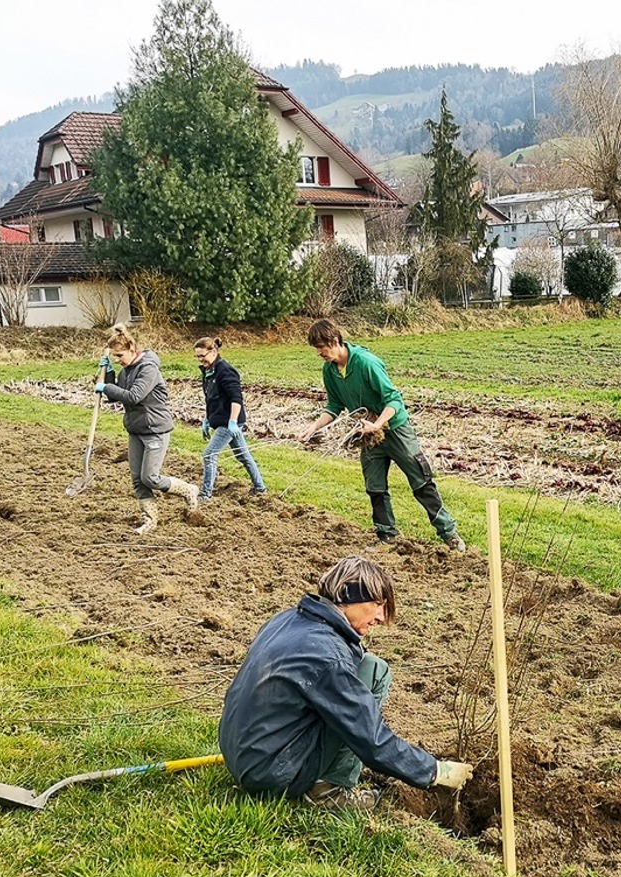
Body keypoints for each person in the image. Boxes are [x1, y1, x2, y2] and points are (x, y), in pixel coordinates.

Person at [218, 556, 474, 809]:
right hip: (271, 773)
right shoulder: (327, 656)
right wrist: (436, 771)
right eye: (376, 604)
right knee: (374, 673)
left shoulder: (287, 620)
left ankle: (314, 774)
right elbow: (371, 739)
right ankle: (328, 791)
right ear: (346, 597)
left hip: (241, 753)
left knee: (368, 666)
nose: (381, 617)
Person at [297, 319, 465, 551]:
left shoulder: (367, 363)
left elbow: (394, 400)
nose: (318, 353)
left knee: (421, 481)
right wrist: (314, 427)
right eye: (315, 348)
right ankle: (387, 536)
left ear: (335, 341)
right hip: (368, 434)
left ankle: (449, 534)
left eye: (321, 347)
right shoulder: (330, 370)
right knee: (374, 486)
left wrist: (378, 424)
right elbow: (334, 405)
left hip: (395, 429)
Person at [96, 325, 200, 534]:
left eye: (120, 355)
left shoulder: (148, 368)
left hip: (155, 429)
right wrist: (108, 375)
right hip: (136, 428)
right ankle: (150, 521)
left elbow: (135, 396)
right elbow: (114, 396)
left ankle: (189, 490)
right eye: (114, 356)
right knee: (137, 479)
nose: (118, 359)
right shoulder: (126, 370)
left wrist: (107, 387)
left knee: (150, 477)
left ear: (132, 349)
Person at [194, 337, 266, 500]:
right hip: (220, 419)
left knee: (209, 455)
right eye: (197, 357)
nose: (200, 360)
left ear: (213, 352)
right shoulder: (208, 371)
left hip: (229, 421)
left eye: (202, 355)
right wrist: (207, 420)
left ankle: (205, 495)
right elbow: (210, 399)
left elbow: (236, 398)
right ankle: (260, 487)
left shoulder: (225, 371)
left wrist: (233, 422)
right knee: (243, 455)